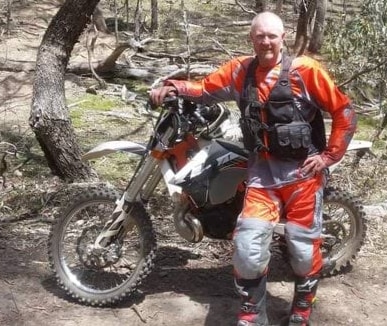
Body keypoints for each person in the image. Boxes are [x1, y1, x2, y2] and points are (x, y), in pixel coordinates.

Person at [150, 11, 357, 326]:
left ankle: (301, 309)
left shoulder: (307, 72)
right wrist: (173, 87)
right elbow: (204, 89)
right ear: (252, 39)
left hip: (303, 176)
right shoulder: (240, 72)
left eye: (272, 36)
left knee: (302, 253)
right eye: (260, 36)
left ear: (283, 38)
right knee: (247, 249)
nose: (266, 42)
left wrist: (329, 156)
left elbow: (344, 111)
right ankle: (252, 315)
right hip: (261, 175)